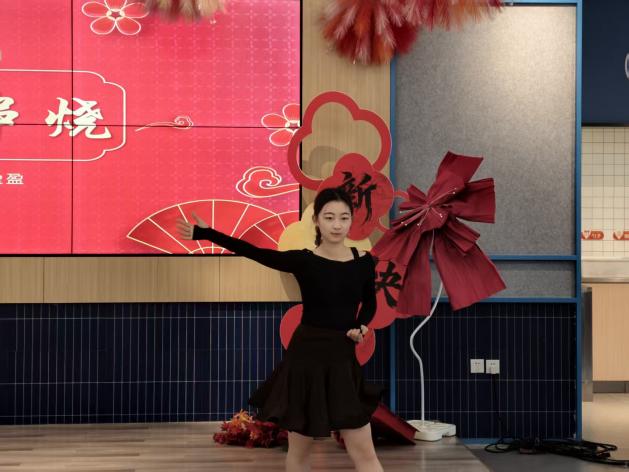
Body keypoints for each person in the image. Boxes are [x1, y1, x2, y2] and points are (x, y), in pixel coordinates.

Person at [177, 187, 384, 472]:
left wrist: (361, 326)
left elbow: (370, 304)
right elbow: (254, 252)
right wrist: (208, 234)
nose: (337, 225)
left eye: (344, 217)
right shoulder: (303, 260)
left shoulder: (363, 261)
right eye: (329, 217)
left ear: (351, 220)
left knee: (364, 452)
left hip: (342, 360)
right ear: (316, 221)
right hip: (305, 360)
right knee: (299, 453)